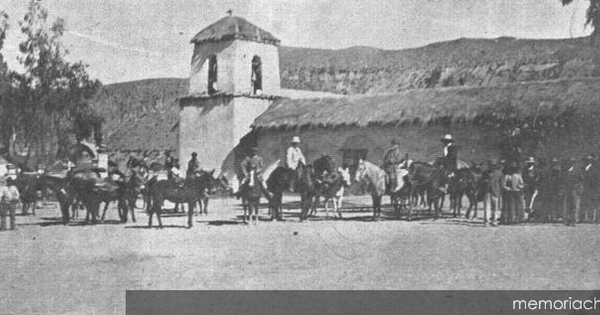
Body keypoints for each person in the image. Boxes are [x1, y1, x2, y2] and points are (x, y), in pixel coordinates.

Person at [563, 158, 584, 226]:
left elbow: (581, 179)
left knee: (575, 205)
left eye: (572, 162)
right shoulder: (566, 171)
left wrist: (577, 186)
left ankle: (574, 220)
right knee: (567, 205)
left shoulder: (577, 171)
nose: (570, 164)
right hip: (568, 190)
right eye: (569, 162)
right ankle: (567, 220)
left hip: (575, 190)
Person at [485, 159, 503, 226]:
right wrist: (500, 192)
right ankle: (494, 221)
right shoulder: (499, 173)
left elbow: (481, 182)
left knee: (487, 207)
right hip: (495, 192)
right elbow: (501, 184)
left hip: (487, 192)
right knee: (495, 208)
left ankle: (487, 222)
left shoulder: (485, 172)